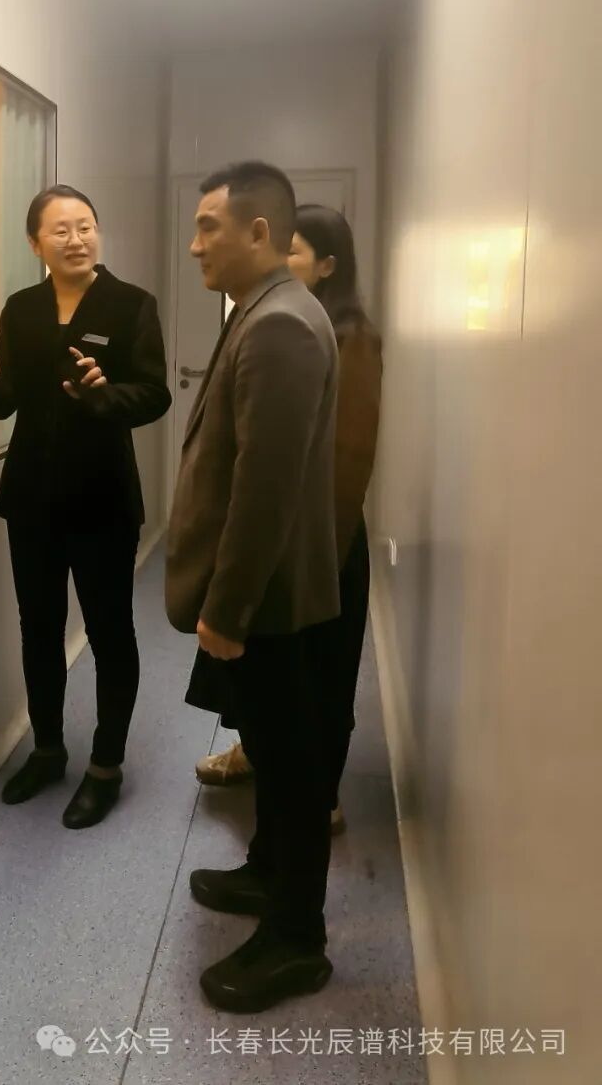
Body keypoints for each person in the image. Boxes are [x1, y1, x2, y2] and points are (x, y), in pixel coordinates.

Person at [165, 161, 341, 1013]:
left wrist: (227, 610)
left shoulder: (280, 325)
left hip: (266, 599)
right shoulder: (263, 310)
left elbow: (263, 491)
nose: (195, 244)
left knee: (292, 762)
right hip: (263, 593)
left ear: (259, 232)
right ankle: (268, 871)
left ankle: (297, 939)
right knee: (271, 750)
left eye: (209, 227)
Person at [0, 186, 171, 830]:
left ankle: (105, 767)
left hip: (104, 496)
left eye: (85, 226)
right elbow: (4, 404)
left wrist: (106, 394)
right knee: (39, 630)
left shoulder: (131, 304)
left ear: (97, 233)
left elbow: (155, 395)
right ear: (36, 243)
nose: (76, 239)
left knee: (110, 633)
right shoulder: (23, 309)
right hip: (32, 499)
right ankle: (48, 751)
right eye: (60, 230)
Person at [192, 205, 382, 834]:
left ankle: (319, 800)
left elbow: (347, 461)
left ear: (328, 266)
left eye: (292, 251)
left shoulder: (350, 337)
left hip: (318, 544)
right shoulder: (272, 320)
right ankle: (258, 756)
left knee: (318, 677)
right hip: (268, 535)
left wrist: (317, 559)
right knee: (264, 672)